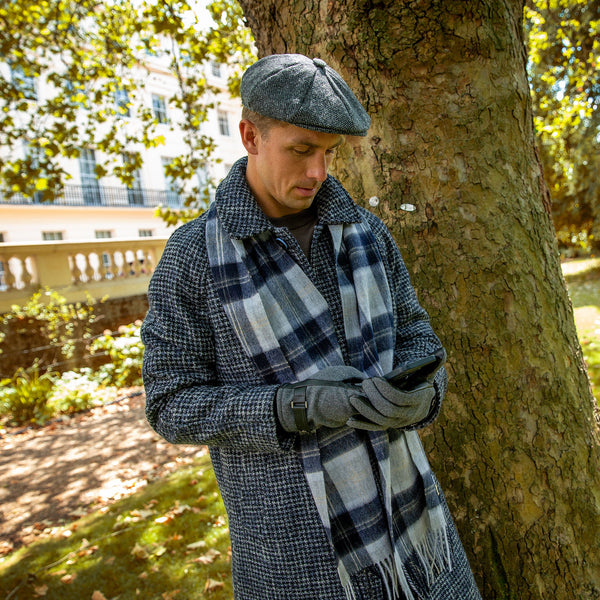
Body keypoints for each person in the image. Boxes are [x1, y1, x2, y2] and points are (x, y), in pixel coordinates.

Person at [142, 54, 482, 600]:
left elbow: (418, 333)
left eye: (328, 153)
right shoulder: (191, 258)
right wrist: (291, 408)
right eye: (301, 150)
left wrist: (425, 395)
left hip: (416, 534)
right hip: (292, 555)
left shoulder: (366, 233)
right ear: (250, 135)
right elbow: (170, 404)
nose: (318, 173)